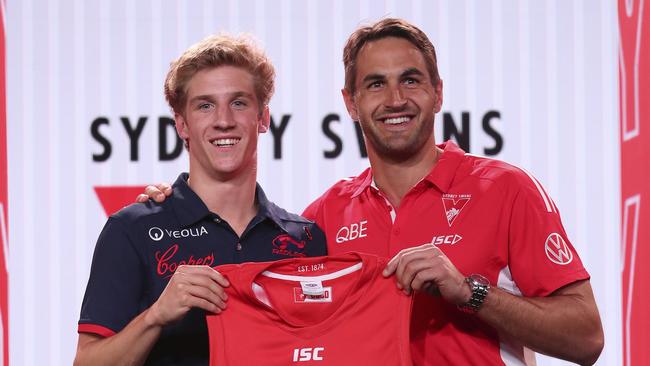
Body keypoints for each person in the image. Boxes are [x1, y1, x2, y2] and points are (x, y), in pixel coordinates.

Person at [140, 18, 604, 365]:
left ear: (438, 94)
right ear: (351, 103)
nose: (395, 99)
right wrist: (176, 204)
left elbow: (587, 339)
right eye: (375, 84)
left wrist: (468, 292)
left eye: (411, 80)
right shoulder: (321, 217)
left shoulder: (506, 189)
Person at [75, 34, 327, 366]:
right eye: (205, 105)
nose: (223, 120)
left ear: (263, 118)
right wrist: (157, 316)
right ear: (182, 124)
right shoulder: (132, 230)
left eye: (239, 102)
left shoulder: (305, 238)